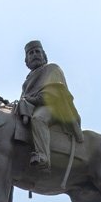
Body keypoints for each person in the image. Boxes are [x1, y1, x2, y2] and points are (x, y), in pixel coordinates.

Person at [19, 40, 83, 169]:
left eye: (37, 51)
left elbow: (55, 93)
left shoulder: (52, 69)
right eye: (31, 53)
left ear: (44, 55)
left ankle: (43, 156)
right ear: (27, 61)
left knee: (38, 119)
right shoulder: (26, 82)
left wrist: (33, 99)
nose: (34, 54)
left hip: (54, 108)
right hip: (32, 108)